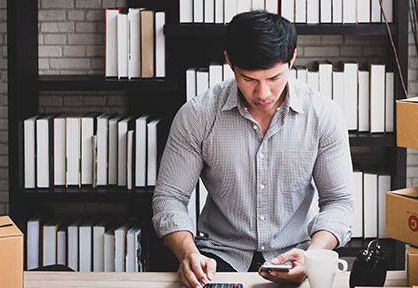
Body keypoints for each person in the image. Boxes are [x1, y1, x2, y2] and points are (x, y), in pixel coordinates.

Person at [151, 10, 353, 288]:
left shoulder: (324, 115)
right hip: (218, 256)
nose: (263, 94)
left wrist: (313, 256)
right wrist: (188, 253)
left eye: (274, 78)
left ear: (292, 58)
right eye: (249, 79)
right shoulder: (197, 115)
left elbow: (339, 202)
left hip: (298, 254)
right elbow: (169, 198)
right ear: (229, 61)